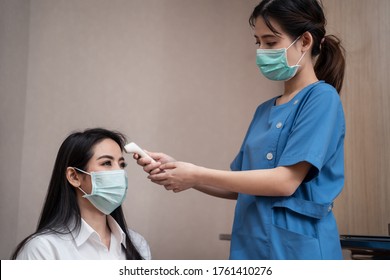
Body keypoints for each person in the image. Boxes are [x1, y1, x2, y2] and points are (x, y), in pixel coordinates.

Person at [135, 0, 346, 260]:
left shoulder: (321, 98)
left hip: (298, 250)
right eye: (258, 42)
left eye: (270, 42)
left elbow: (285, 182)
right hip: (251, 246)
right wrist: (183, 172)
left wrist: (195, 174)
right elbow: (239, 185)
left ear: (304, 41)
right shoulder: (264, 110)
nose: (261, 51)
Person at [11, 128, 151, 260]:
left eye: (122, 165)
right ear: (74, 176)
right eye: (107, 163)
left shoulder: (137, 245)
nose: (119, 172)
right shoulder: (43, 248)